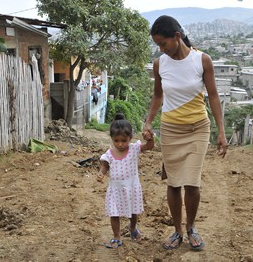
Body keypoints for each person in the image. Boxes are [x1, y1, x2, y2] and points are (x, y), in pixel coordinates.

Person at [142, 15, 228, 250]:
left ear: (177, 37)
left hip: (198, 128)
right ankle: (177, 231)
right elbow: (158, 95)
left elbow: (213, 96)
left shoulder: (202, 60)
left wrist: (221, 132)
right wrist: (148, 122)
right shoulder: (160, 64)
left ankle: (191, 227)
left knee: (192, 182)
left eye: (163, 43)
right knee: (174, 182)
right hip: (170, 129)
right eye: (158, 45)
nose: (161, 49)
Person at [97, 113, 154, 249]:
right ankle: (117, 237)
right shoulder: (109, 153)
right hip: (115, 190)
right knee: (114, 213)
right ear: (111, 138)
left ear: (130, 138)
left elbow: (149, 147)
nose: (120, 144)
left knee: (133, 212)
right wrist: (101, 173)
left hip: (131, 188)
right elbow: (105, 165)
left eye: (124, 140)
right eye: (116, 141)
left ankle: (133, 228)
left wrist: (150, 139)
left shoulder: (134, 149)